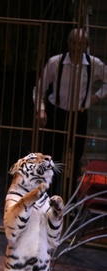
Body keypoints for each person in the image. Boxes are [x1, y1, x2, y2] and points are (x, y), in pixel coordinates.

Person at [33, 28, 107, 189]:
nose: (77, 47)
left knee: (76, 158)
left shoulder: (94, 64)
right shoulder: (55, 62)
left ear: (86, 45)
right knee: (51, 156)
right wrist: (41, 109)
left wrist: (94, 98)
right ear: (69, 44)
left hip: (79, 114)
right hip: (57, 113)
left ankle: (70, 195)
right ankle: (47, 194)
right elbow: (39, 90)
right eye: (74, 43)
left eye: (81, 43)